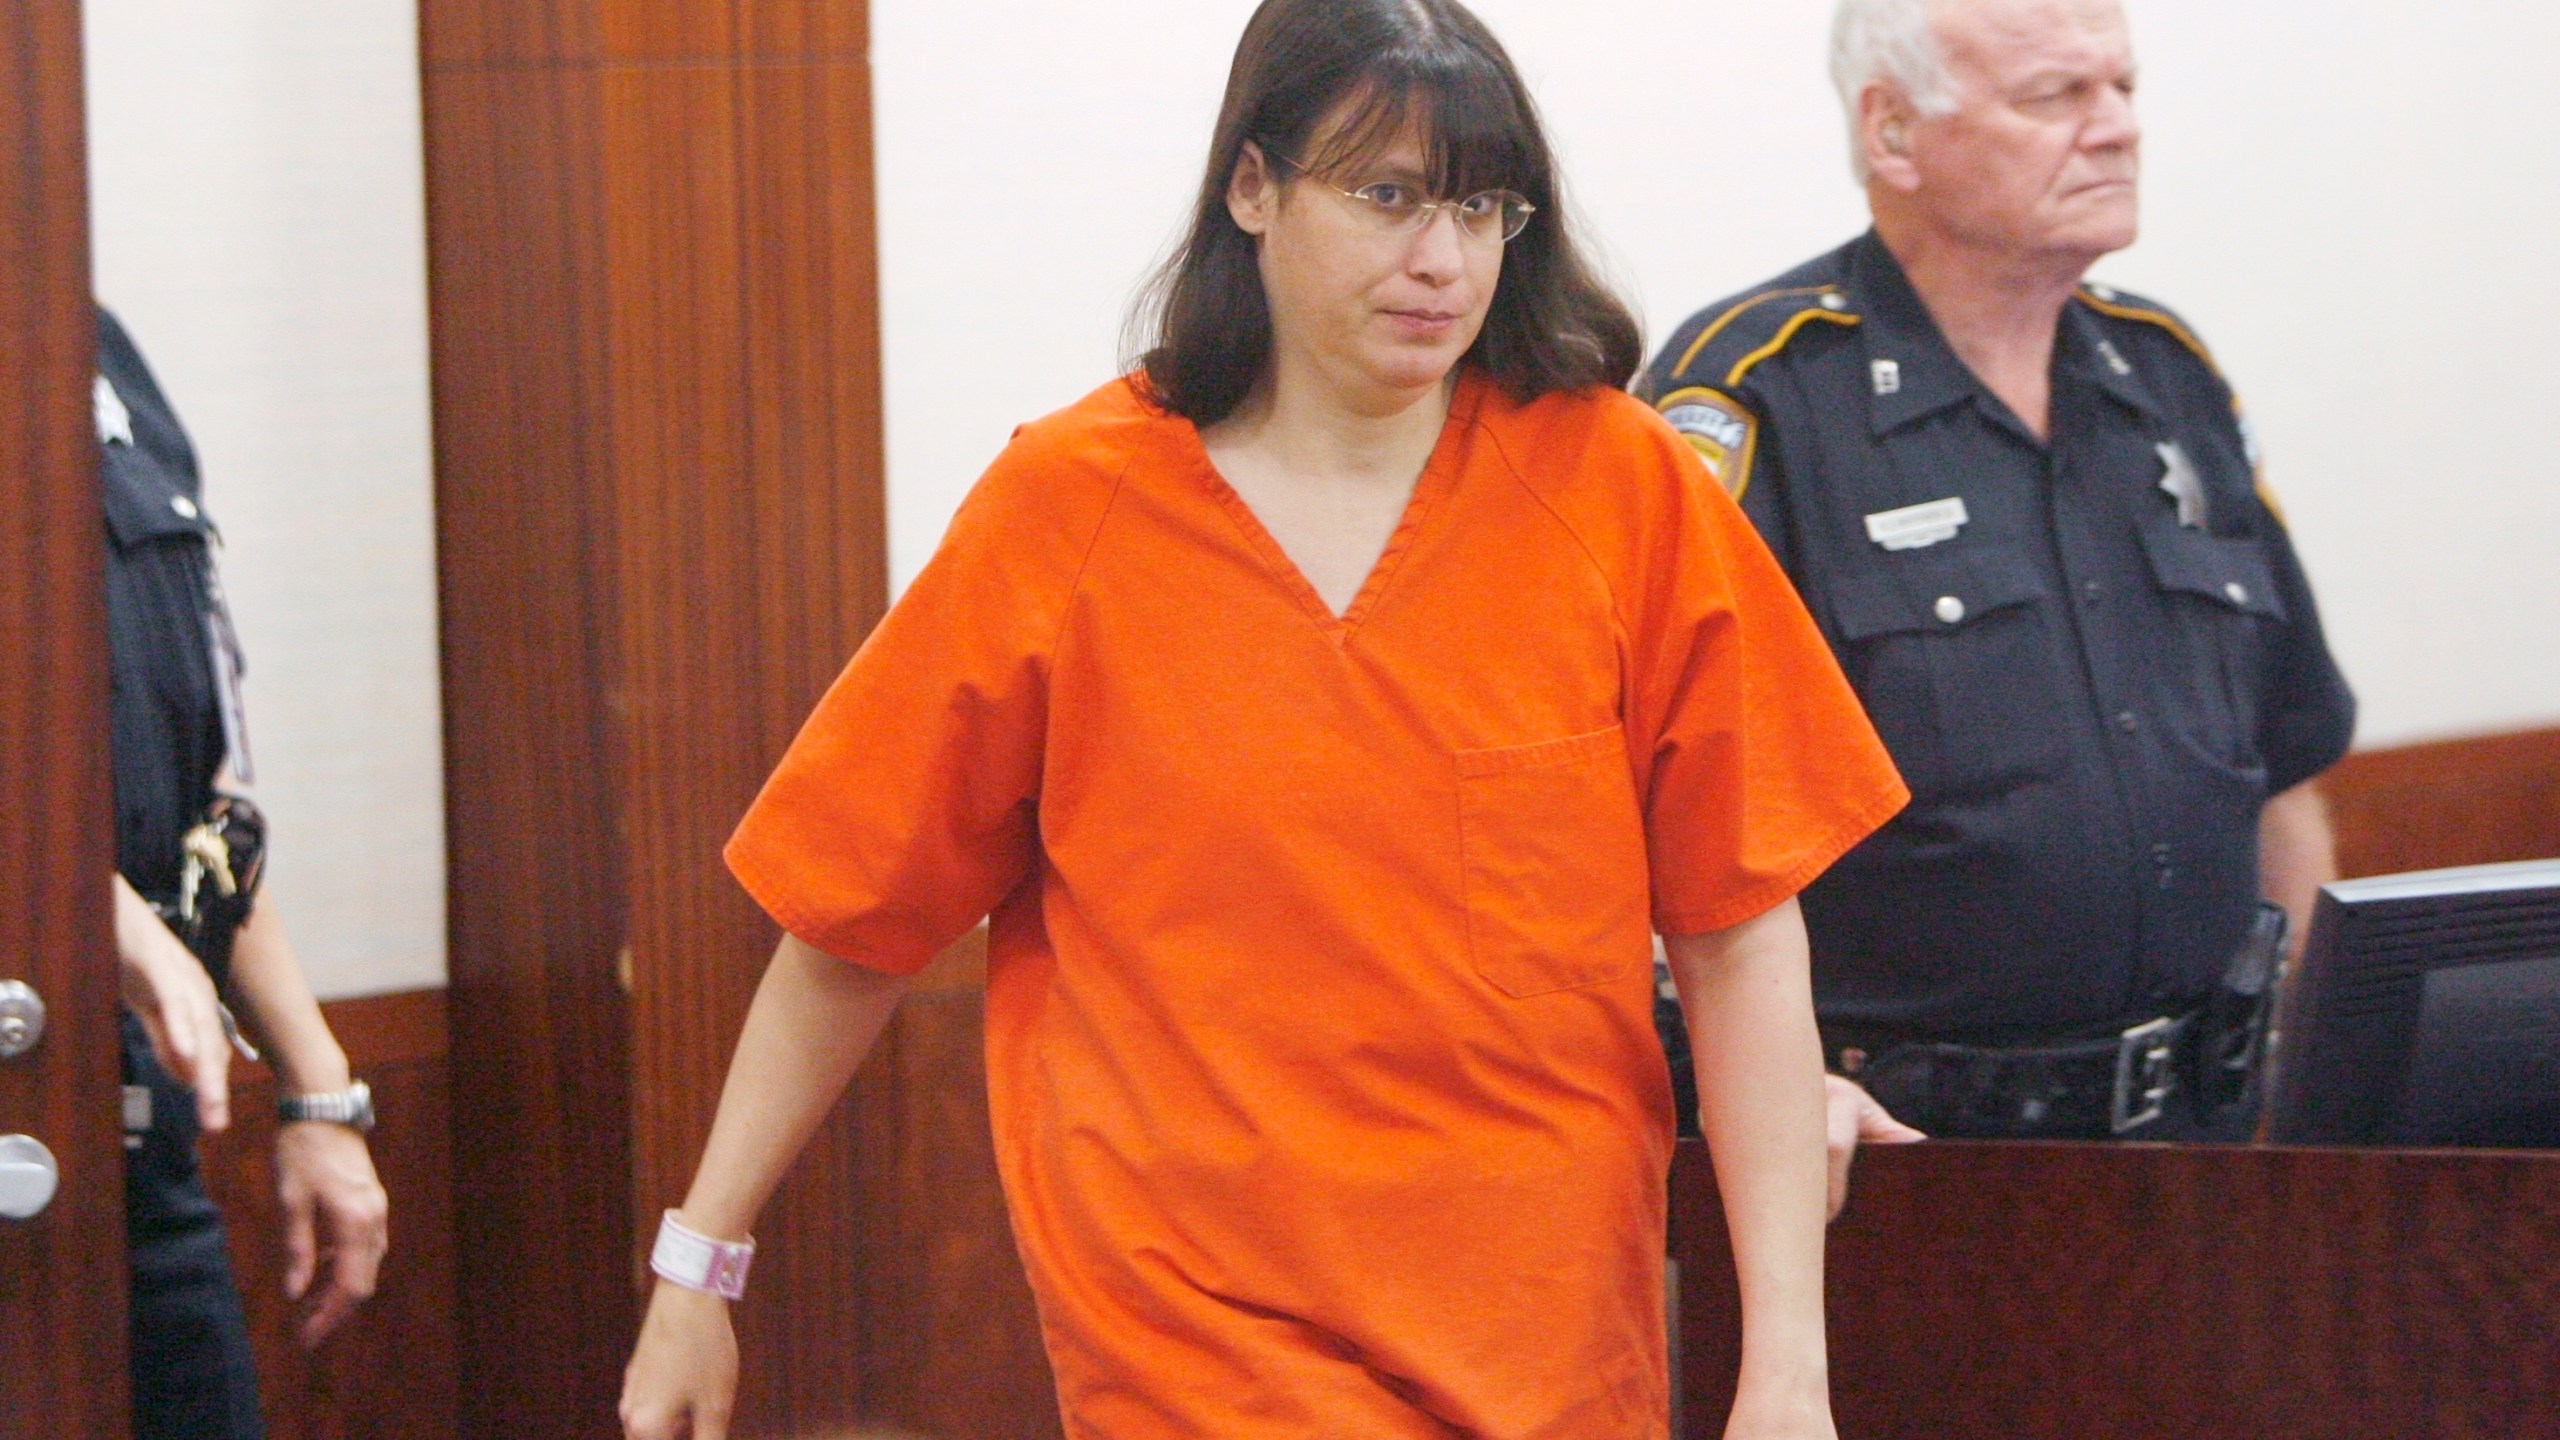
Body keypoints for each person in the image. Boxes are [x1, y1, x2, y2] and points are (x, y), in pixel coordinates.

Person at [620, 2, 1907, 1436]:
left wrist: (1790, 1364)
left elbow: (1737, 935)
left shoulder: (1622, 489)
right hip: (1193, 1339)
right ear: (1251, 187)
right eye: (1389, 197)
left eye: (1483, 207)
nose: (1444, 258)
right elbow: (849, 923)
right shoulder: (1070, 510)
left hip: (1549, 1345)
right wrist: (699, 1265)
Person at [1637, 0, 2356, 1155]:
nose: (2117, 126)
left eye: (2122, 86)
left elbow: (2281, 765)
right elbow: (1624, 809)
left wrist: (2322, 1069)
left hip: (2210, 1140)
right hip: (1903, 1156)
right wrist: (1750, 1093)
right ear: (1892, 134)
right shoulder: (1757, 393)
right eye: (2053, 96)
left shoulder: (2165, 376)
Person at [98, 304, 392, 1440]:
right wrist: (98, 915)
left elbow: (190, 805)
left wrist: (318, 1090)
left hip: (142, 1123)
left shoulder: (96, 354)